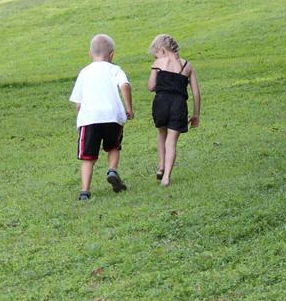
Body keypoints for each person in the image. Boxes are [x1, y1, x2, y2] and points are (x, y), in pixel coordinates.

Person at [70, 34, 134, 200]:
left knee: (88, 157)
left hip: (89, 118)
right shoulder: (115, 69)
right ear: (112, 54)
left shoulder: (84, 72)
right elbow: (125, 85)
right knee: (113, 147)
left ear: (90, 54)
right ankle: (112, 170)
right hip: (112, 116)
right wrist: (129, 108)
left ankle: (85, 191)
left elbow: (78, 103)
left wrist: (80, 120)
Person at [147, 34, 201, 187]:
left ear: (162, 50)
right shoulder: (188, 66)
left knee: (162, 134)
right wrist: (196, 114)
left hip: (161, 103)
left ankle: (161, 165)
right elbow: (196, 93)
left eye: (156, 54)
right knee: (171, 141)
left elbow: (151, 87)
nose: (156, 57)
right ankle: (166, 177)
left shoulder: (158, 63)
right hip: (179, 105)